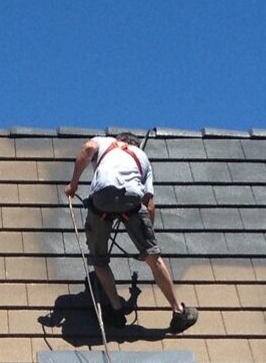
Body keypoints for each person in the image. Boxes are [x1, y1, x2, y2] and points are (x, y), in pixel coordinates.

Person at [63, 133, 198, 329]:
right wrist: (147, 239)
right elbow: (149, 205)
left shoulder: (104, 141)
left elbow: (87, 150)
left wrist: (73, 185)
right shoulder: (142, 157)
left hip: (102, 200)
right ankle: (178, 311)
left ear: (118, 139)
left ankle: (116, 311)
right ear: (134, 145)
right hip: (132, 201)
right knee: (153, 257)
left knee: (98, 258)